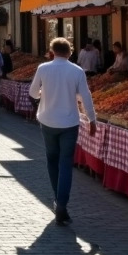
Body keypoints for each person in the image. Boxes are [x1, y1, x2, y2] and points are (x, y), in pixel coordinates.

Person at [28, 38, 97, 224]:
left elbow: (33, 93)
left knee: (52, 159)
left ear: (52, 51)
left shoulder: (43, 68)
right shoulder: (76, 71)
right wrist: (92, 119)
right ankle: (62, 204)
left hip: (47, 120)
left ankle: (58, 199)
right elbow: (85, 96)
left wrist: (43, 93)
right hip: (69, 122)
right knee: (66, 163)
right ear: (70, 52)